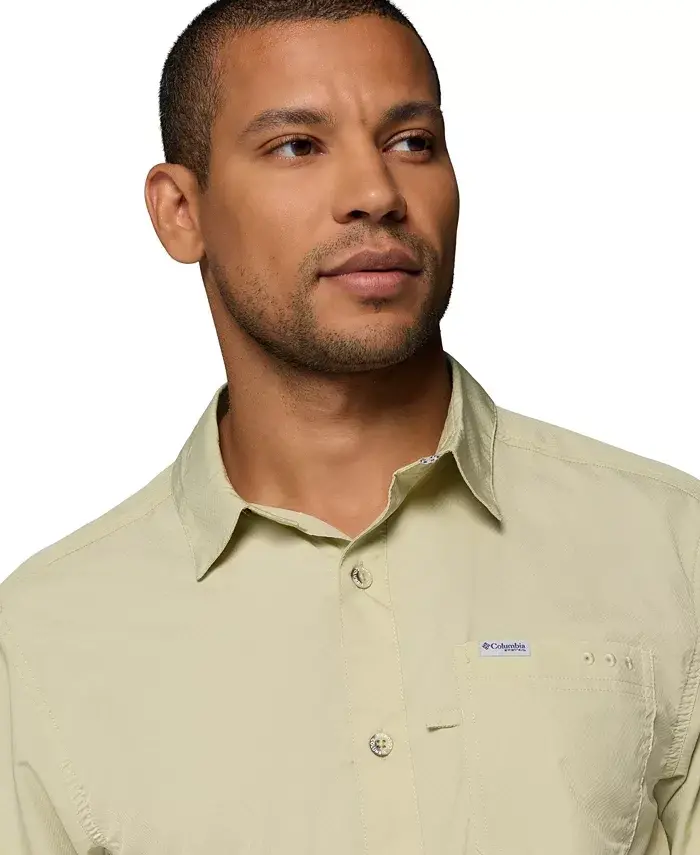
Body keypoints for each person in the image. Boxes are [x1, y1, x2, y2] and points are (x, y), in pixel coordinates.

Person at [1, 0, 698, 852]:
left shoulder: (672, 547)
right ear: (181, 211)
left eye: (412, 142)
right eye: (298, 145)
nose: (376, 194)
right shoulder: (44, 638)